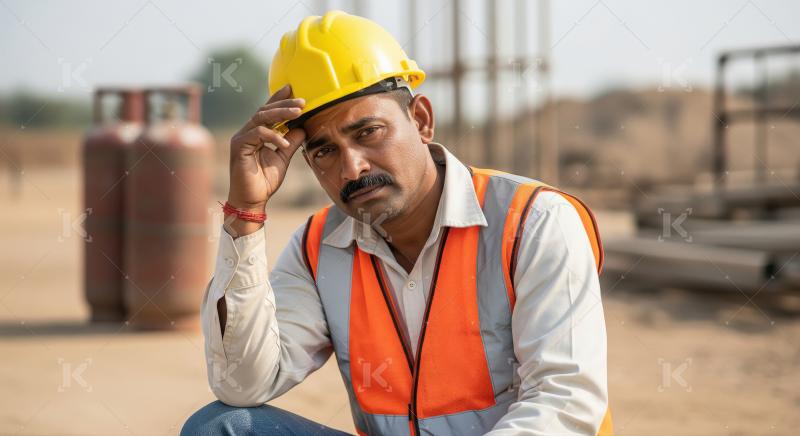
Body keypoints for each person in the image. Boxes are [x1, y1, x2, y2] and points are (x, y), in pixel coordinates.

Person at [182, 10, 612, 436]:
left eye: (367, 132)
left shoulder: (533, 222)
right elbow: (241, 384)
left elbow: (564, 401)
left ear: (421, 120)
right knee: (221, 428)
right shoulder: (318, 248)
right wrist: (244, 214)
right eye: (324, 151)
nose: (352, 168)